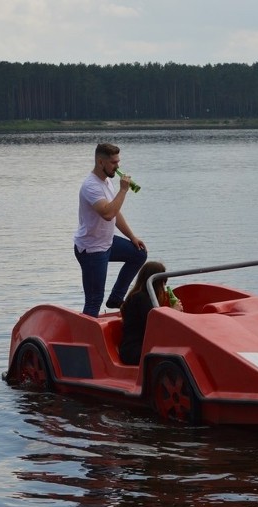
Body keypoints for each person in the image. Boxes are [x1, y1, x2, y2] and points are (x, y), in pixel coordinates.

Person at [74, 143, 148, 317]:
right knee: (94, 301)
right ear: (101, 162)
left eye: (118, 161)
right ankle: (86, 339)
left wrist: (132, 237)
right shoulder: (90, 186)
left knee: (139, 253)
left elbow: (115, 213)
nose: (118, 166)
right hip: (92, 250)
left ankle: (116, 298)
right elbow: (108, 213)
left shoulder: (106, 181)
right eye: (113, 163)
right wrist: (123, 190)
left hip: (107, 243)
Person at [119, 261, 183, 365]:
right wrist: (174, 311)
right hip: (135, 349)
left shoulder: (141, 297)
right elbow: (155, 326)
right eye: (163, 282)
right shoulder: (140, 298)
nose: (163, 286)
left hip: (142, 346)